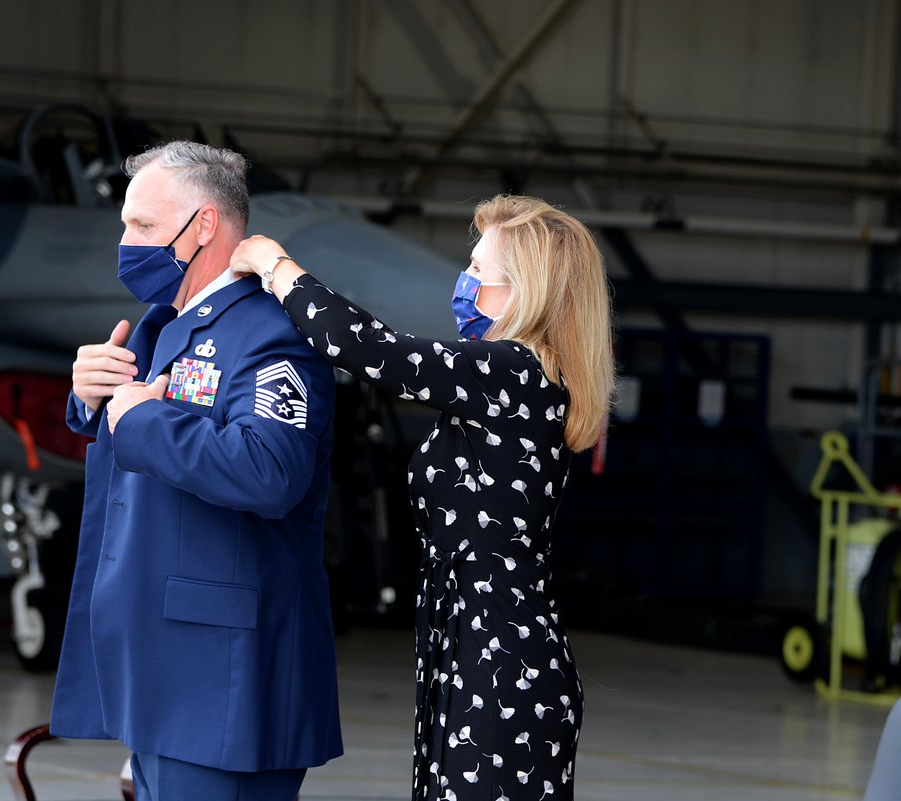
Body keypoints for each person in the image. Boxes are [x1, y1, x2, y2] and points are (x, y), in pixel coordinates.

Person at [230, 194, 614, 801]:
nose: (464, 286)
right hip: (467, 641)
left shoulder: (513, 372)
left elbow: (374, 352)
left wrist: (277, 266)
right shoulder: (514, 384)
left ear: (528, 292)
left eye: (479, 276)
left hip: (500, 659)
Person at [50, 141, 342, 801]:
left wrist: (140, 419)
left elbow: (270, 471)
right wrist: (92, 399)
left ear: (203, 226)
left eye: (143, 227)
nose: (127, 242)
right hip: (165, 669)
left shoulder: (274, 332)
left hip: (222, 681)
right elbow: (149, 443)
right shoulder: (164, 326)